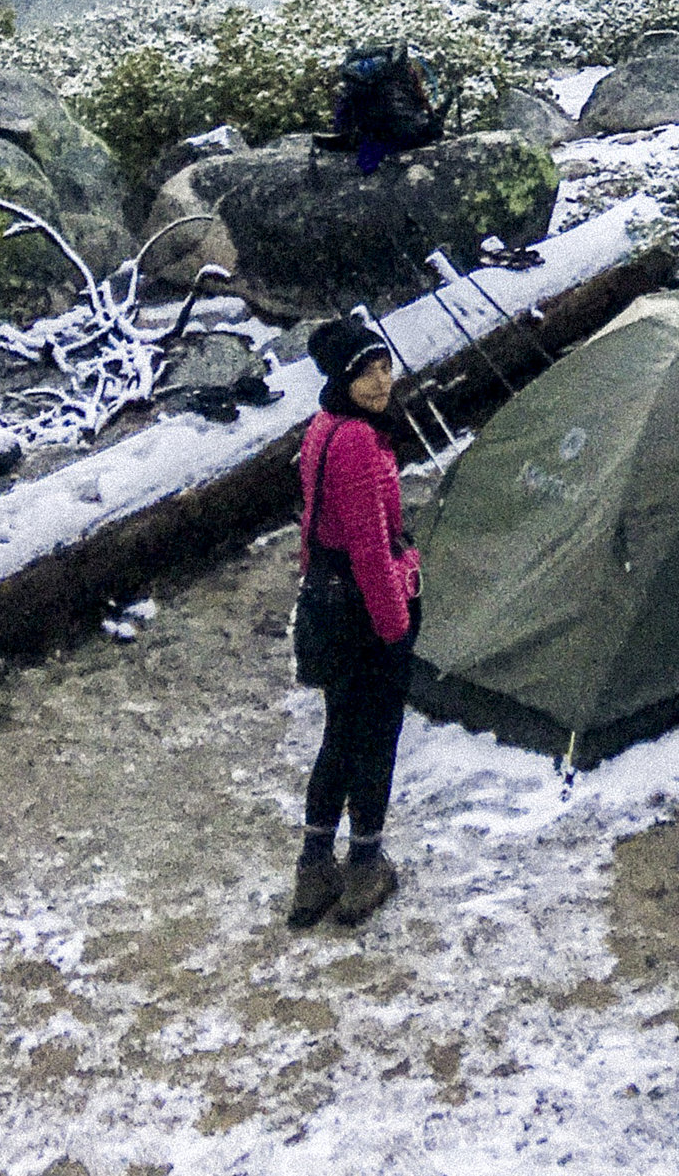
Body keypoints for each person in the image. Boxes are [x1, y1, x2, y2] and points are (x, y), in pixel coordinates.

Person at [289, 308, 422, 927]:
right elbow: (371, 548)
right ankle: (366, 867)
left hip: (330, 604)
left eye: (384, 365)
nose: (380, 381)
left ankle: (314, 871)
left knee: (339, 734)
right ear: (344, 379)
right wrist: (395, 628)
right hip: (369, 612)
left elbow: (312, 527)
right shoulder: (360, 445)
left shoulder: (323, 427)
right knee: (375, 737)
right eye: (365, 372)